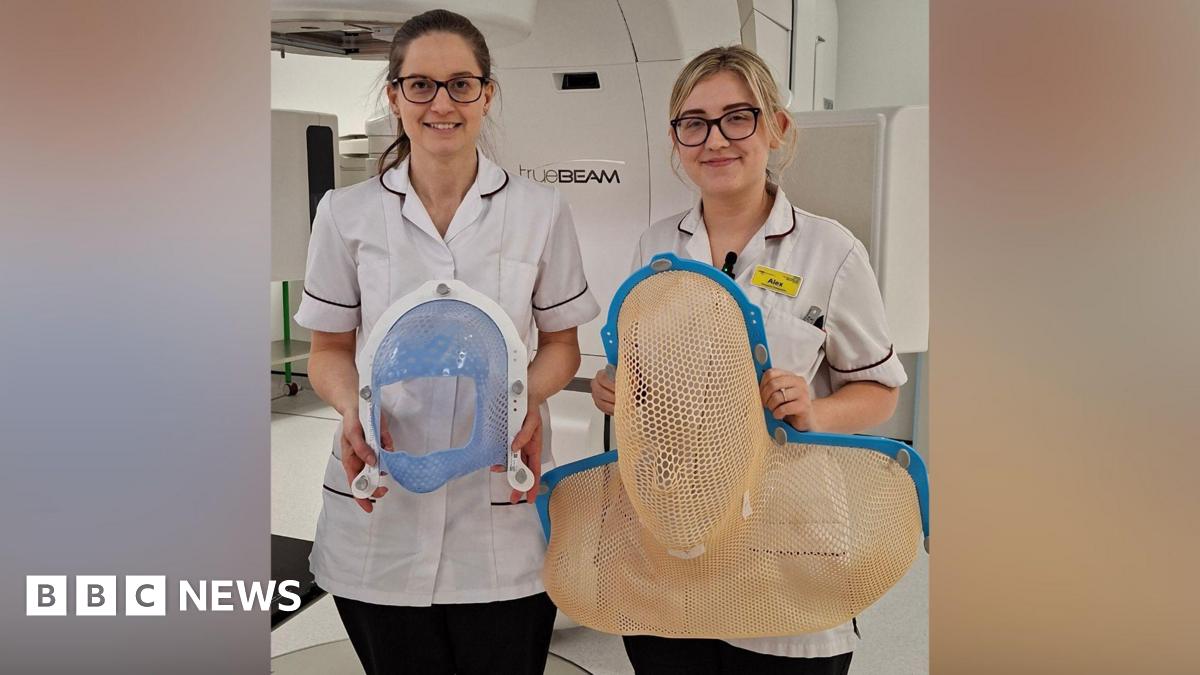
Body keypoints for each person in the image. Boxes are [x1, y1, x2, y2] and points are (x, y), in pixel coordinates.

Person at [294, 9, 599, 674]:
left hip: (501, 508)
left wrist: (521, 403)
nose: (441, 104)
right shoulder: (344, 214)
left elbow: (561, 346)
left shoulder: (539, 210)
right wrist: (352, 410)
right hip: (380, 506)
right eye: (421, 85)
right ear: (395, 95)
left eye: (461, 84)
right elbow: (328, 352)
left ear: (487, 94)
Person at [589, 45, 907, 675]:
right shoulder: (657, 246)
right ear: (676, 139)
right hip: (672, 532)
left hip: (787, 543)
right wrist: (615, 386)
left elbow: (879, 391)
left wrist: (816, 410)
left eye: (738, 117)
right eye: (695, 123)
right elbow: (641, 377)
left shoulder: (830, 251)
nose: (716, 140)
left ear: (776, 127)